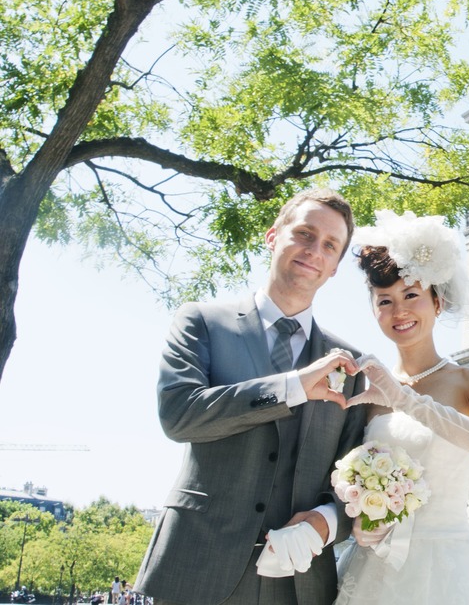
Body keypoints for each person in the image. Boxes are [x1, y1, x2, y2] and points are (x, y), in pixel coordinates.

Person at [135, 188, 368, 605]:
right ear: (273, 235)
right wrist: (292, 387)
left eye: (330, 246)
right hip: (198, 569)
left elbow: (353, 483)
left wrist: (325, 521)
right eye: (304, 234)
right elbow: (178, 415)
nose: (315, 250)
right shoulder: (200, 323)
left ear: (335, 267)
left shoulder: (349, 367)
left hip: (299, 579)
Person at [333, 211, 469, 603]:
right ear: (373, 310)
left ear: (437, 302)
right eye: (384, 300)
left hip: (451, 568)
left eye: (411, 295)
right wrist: (355, 519)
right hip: (374, 566)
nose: (399, 311)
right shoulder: (365, 391)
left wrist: (405, 400)